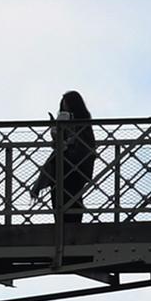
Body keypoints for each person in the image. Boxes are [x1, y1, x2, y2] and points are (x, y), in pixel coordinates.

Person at [46, 90, 96, 227]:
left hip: (75, 165)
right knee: (59, 196)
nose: (64, 107)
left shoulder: (82, 122)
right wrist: (56, 132)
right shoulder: (70, 121)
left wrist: (70, 137)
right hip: (62, 163)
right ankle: (62, 223)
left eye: (66, 103)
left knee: (72, 195)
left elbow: (86, 144)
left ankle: (71, 224)